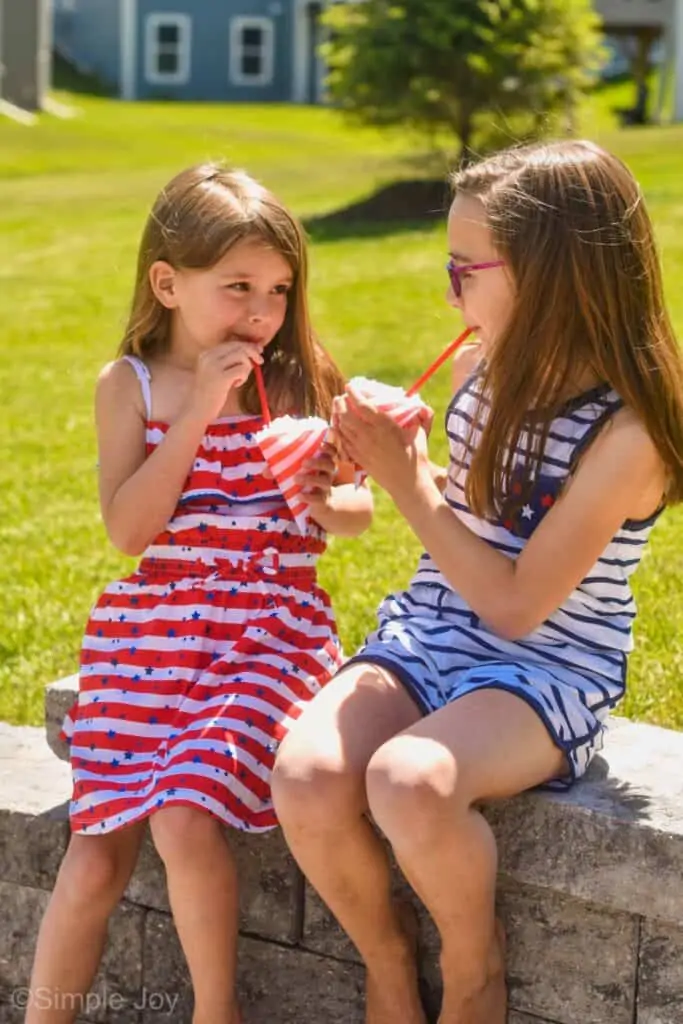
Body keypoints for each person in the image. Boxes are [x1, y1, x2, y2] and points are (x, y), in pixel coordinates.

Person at [271, 140, 683, 1024]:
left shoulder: (626, 436)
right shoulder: (478, 370)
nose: (449, 293)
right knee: (304, 778)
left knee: (409, 782)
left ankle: (472, 970)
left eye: (465, 271)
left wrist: (407, 482)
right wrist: (378, 463)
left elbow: (515, 602)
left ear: (550, 277)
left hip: (547, 665)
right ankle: (386, 959)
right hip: (432, 629)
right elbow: (464, 534)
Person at [25, 163, 373, 1024]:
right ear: (168, 284)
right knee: (96, 849)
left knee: (183, 818)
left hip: (269, 630)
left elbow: (355, 513)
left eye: (280, 289)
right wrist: (196, 415)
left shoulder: (295, 380)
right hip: (152, 633)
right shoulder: (130, 386)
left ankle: (217, 1013)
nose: (261, 312)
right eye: (238, 288)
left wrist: (327, 495)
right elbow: (129, 531)